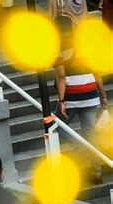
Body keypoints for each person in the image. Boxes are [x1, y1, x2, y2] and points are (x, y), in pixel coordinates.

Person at [53, 16, 109, 184]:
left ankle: (81, 148)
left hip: (72, 96)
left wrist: (62, 101)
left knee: (56, 125)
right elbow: (97, 72)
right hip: (91, 95)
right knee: (90, 134)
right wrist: (104, 95)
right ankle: (97, 173)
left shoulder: (58, 48)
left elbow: (61, 76)